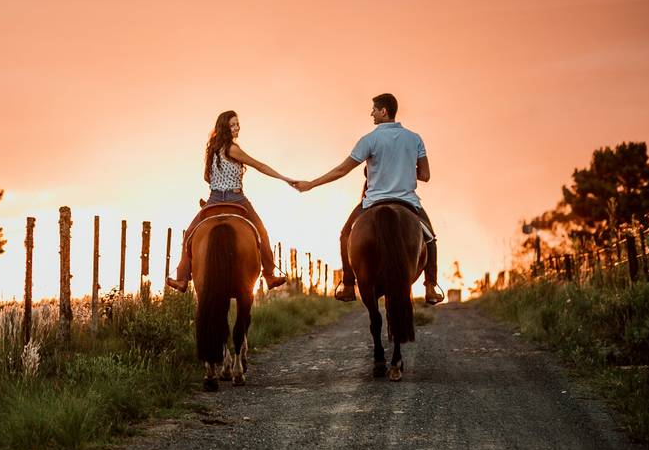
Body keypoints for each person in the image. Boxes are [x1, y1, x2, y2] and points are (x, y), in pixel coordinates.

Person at [293, 93, 443, 304]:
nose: (371, 113)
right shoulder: (414, 138)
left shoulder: (369, 140)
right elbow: (425, 175)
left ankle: (347, 284)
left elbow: (342, 170)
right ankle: (430, 287)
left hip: (373, 202)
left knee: (346, 234)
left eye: (374, 109)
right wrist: (403, 168)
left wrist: (311, 184)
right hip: (408, 202)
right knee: (429, 237)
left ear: (384, 111)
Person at [166, 110, 290, 292]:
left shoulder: (212, 150)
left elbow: (206, 177)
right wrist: (283, 177)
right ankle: (270, 275)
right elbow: (259, 165)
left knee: (190, 234)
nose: (237, 127)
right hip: (236, 198)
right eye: (233, 125)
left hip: (214, 199)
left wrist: (219, 181)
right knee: (262, 232)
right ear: (225, 127)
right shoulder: (233, 149)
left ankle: (182, 279)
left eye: (237, 124)